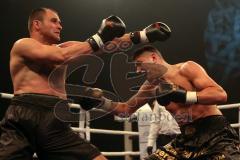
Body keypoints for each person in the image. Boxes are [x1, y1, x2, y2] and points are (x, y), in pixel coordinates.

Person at [0, 7, 172, 160]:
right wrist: (99, 37)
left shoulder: (66, 48)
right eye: (54, 21)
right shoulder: (23, 45)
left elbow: (107, 45)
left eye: (60, 22)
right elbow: (60, 57)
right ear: (36, 24)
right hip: (24, 114)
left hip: (55, 118)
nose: (60, 26)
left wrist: (143, 35)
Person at [129, 45, 240, 160]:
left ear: (153, 58)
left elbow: (220, 95)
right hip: (185, 139)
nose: (138, 70)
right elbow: (126, 109)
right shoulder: (151, 87)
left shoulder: (186, 69)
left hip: (214, 133)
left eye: (139, 63)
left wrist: (185, 96)